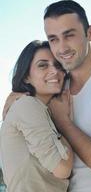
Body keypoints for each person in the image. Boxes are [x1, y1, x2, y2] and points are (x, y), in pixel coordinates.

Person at [2, 0, 91, 192]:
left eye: (69, 35)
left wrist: (63, 121)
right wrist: (15, 95)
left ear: (90, 33)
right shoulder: (59, 85)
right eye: (53, 38)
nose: (62, 48)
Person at [0, 40, 73, 192]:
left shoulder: (37, 109)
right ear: (26, 76)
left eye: (58, 65)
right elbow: (62, 168)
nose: (54, 70)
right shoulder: (27, 105)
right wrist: (62, 121)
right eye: (43, 65)